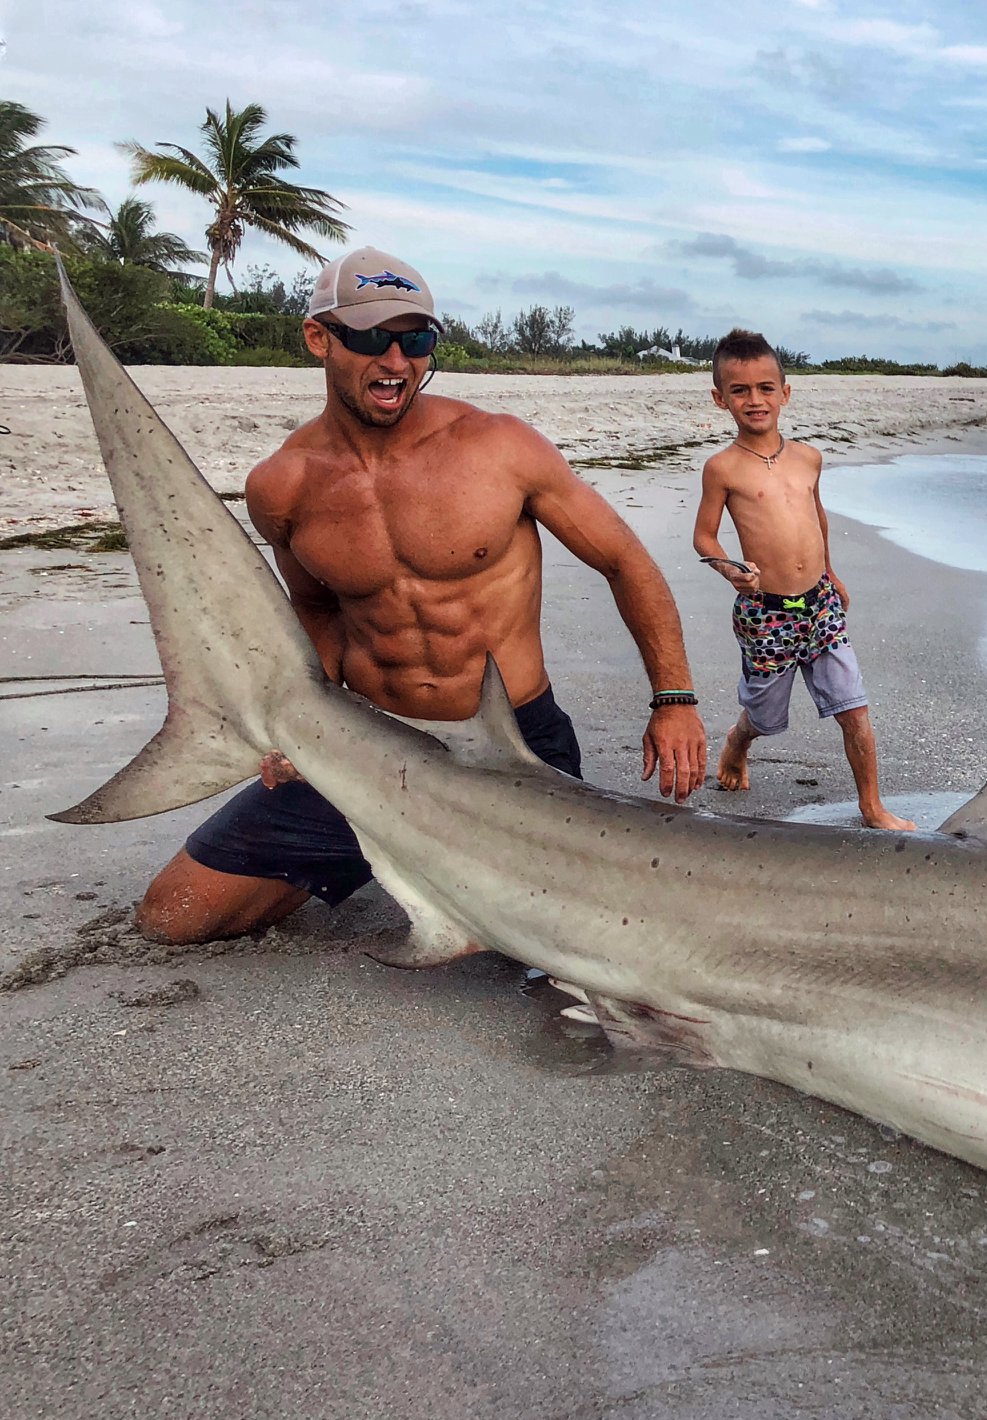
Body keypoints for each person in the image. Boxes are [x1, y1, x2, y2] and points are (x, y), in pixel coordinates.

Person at [135, 246, 708, 944]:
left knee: (579, 957)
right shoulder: (283, 485)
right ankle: (382, 855)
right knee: (174, 915)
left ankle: (435, 865)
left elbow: (624, 559)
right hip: (371, 746)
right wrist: (299, 723)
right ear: (320, 338)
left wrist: (673, 698)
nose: (397, 361)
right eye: (373, 338)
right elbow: (316, 609)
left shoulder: (499, 447)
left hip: (511, 750)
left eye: (417, 339)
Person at [691, 329, 914, 832]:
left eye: (766, 388)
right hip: (766, 612)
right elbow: (704, 537)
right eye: (740, 390)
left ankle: (872, 807)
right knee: (765, 716)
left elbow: (818, 520)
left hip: (821, 606)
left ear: (785, 393)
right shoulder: (722, 468)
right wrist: (730, 570)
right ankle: (738, 741)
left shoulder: (809, 457)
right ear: (719, 398)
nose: (755, 400)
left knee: (852, 707)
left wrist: (831, 575)